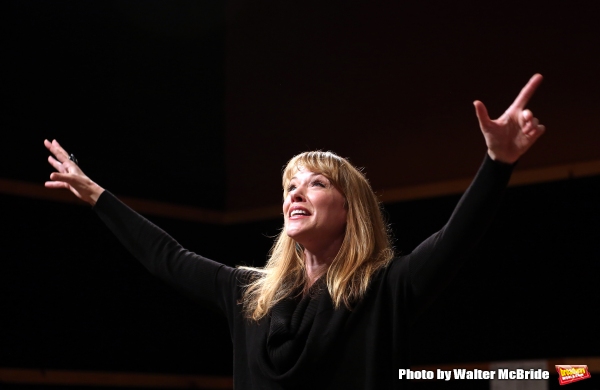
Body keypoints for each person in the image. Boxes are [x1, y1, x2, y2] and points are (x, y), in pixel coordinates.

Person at [44, 74, 545, 389]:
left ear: (351, 211)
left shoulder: (384, 289)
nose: (295, 193)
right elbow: (166, 257)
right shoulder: (248, 295)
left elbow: (456, 239)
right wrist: (95, 195)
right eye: (290, 185)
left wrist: (497, 163)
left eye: (316, 183)